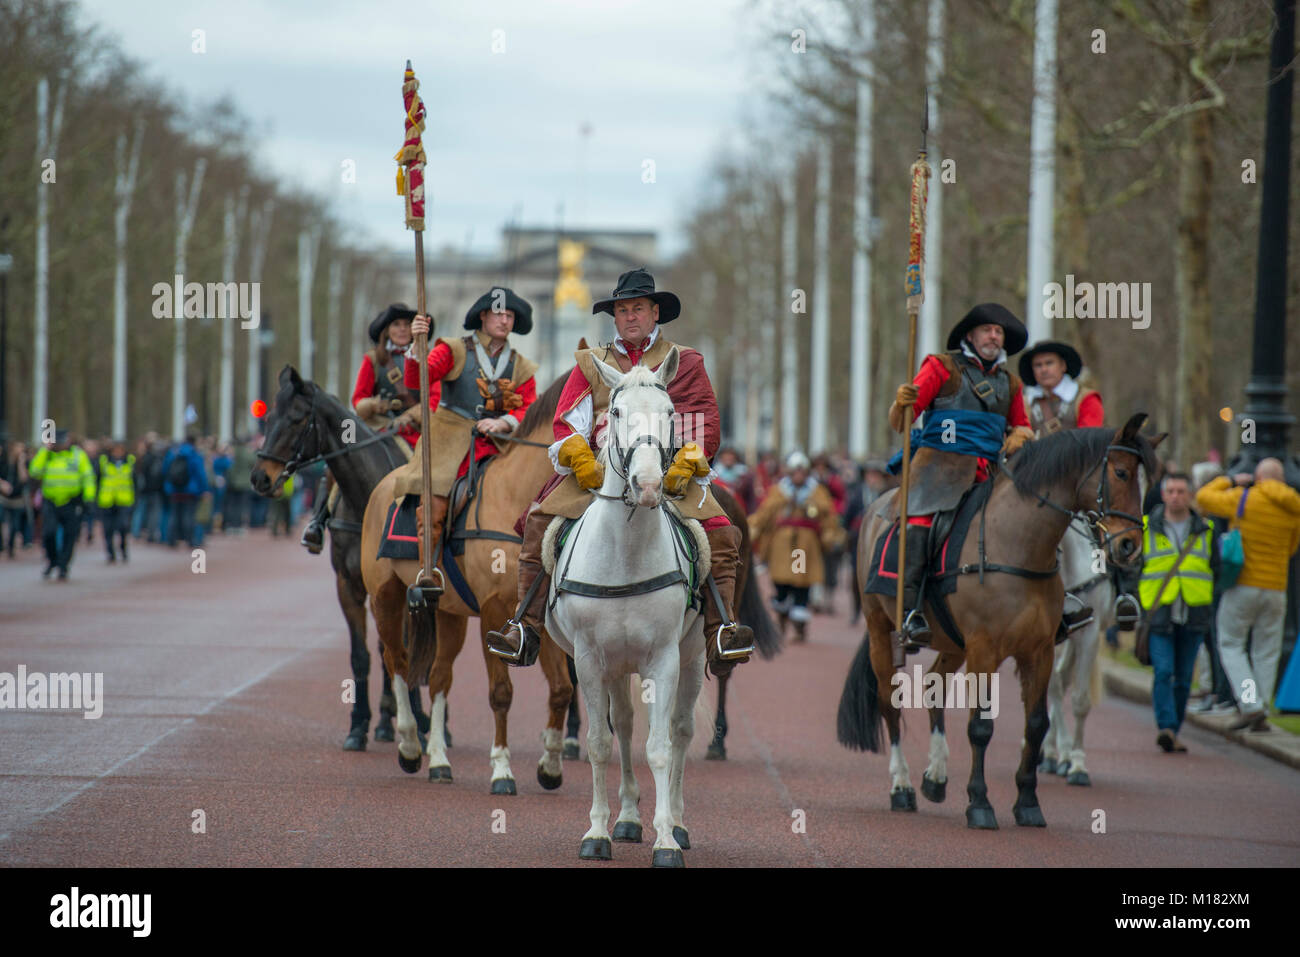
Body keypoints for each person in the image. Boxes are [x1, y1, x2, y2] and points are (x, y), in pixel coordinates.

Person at [485, 267, 754, 677]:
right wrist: (580, 459)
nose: (630, 316)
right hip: (598, 473)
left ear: (655, 313)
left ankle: (721, 632)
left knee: (720, 531)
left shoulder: (687, 361)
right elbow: (566, 424)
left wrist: (683, 463)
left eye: (638, 308)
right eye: (623, 309)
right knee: (539, 522)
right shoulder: (591, 363)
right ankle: (526, 627)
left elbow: (705, 424)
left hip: (670, 473)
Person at [887, 303, 1033, 646]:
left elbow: (1022, 424)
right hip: (939, 466)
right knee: (920, 523)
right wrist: (901, 403)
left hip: (990, 469)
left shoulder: (1011, 383)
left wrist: (1021, 435)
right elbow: (900, 423)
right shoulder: (941, 367)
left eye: (999, 332)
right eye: (987, 330)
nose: (994, 336)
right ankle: (910, 611)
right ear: (970, 335)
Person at [393, 286, 538, 562]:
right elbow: (417, 380)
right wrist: (416, 345)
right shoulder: (453, 349)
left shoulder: (521, 366)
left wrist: (504, 423)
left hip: (497, 444)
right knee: (434, 508)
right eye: (498, 314)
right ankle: (427, 574)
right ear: (483, 316)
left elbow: (528, 407)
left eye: (509, 315)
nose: (504, 320)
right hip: (448, 441)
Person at [301, 303, 426, 553]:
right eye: (396, 325)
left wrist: (411, 415)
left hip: (413, 430)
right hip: (377, 428)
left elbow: (433, 398)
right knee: (336, 464)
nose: (401, 330)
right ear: (386, 331)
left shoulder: (426, 357)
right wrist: (375, 405)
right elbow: (358, 400)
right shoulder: (373, 359)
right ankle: (318, 521)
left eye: (406, 325)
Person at [1196, 458, 1300, 731]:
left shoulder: (1244, 498)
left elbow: (1204, 498)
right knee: (1267, 651)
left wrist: (1230, 480)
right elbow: (1291, 548)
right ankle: (1262, 706)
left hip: (1243, 584)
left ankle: (1250, 703)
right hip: (1276, 588)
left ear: (1258, 476)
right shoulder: (1295, 507)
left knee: (1230, 644)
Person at [1140, 472, 1217, 752]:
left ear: (1190, 494)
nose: (1175, 496)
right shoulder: (1146, 527)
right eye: (1170, 491)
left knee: (1184, 677)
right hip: (1159, 613)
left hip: (1194, 613)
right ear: (1162, 494)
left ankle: (1173, 729)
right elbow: (1130, 567)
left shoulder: (1206, 529)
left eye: (1181, 491)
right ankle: (1166, 727)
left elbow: (1216, 569)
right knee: (1163, 671)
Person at [749, 451, 844, 642]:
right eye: (796, 472)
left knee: (800, 580)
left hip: (803, 547)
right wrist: (752, 529)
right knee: (780, 581)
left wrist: (831, 535)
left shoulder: (816, 492)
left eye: (802, 472)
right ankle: (782, 617)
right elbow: (764, 513)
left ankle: (799, 625)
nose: (799, 476)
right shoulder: (779, 491)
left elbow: (828, 517)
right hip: (781, 545)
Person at [29, 429, 95, 581]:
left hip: (72, 501)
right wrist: (44, 451)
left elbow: (87, 477)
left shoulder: (78, 455)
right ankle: (52, 561)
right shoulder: (47, 456)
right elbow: (34, 471)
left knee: (70, 535)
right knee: (48, 533)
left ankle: (63, 565)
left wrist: (89, 497)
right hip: (51, 501)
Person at [161, 434, 208, 549]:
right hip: (190, 490)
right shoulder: (194, 454)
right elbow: (200, 473)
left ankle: (171, 539)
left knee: (174, 515)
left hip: (174, 489)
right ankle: (190, 540)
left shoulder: (173, 453)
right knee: (189, 516)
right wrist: (204, 489)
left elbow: (165, 470)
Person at [97, 440, 135, 563]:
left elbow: (134, 482)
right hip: (107, 500)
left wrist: (135, 499)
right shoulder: (103, 462)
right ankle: (110, 553)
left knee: (122, 526)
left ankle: (123, 548)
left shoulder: (129, 461)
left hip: (123, 500)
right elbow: (97, 481)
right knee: (108, 529)